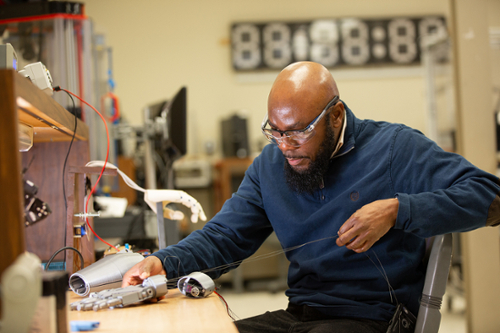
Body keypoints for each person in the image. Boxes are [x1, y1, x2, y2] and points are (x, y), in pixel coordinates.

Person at [122, 61, 500, 333]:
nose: (286, 146)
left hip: (375, 320)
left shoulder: (395, 148)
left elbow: (489, 196)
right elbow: (225, 237)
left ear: (335, 116)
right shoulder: (270, 165)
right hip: (301, 316)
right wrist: (162, 264)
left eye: (299, 132)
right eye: (276, 131)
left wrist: (399, 210)